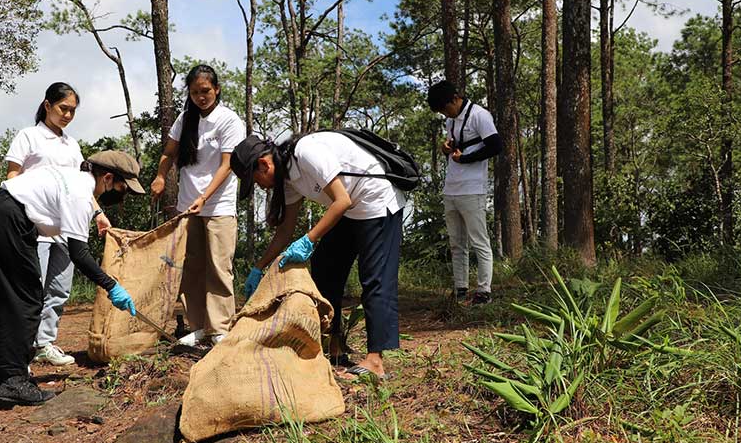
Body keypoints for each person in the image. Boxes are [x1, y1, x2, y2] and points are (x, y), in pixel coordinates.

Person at [0, 151, 145, 405]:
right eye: (122, 187)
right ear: (107, 177)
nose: (122, 194)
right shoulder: (80, 195)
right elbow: (79, 254)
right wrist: (111, 286)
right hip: (8, 222)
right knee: (27, 300)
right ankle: (14, 380)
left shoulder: (70, 176)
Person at [229, 132, 406, 379]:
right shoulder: (288, 178)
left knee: (375, 279)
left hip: (376, 199)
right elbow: (284, 232)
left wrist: (309, 239)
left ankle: (375, 361)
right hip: (353, 207)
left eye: (256, 180)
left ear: (264, 164)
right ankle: (334, 348)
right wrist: (259, 267)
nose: (260, 186)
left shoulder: (305, 152)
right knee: (325, 266)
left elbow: (341, 200)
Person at [5, 83, 111, 367]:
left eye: (72, 111)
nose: (67, 115)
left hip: (67, 228)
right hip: (35, 225)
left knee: (59, 290)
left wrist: (98, 213)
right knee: (32, 288)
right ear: (47, 105)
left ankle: (44, 343)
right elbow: (12, 176)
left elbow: (81, 186)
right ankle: (22, 350)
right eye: (63, 108)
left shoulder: (72, 145)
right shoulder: (29, 136)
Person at [151, 65, 245, 346]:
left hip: (218, 207)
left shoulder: (229, 121)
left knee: (218, 267)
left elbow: (228, 164)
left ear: (216, 89)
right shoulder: (185, 119)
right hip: (187, 207)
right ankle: (199, 326)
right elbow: (169, 152)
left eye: (205, 91)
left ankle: (220, 329)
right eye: (195, 92)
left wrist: (204, 197)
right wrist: (159, 176)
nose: (201, 97)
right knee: (191, 268)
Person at [426, 80, 501, 305]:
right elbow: (453, 146)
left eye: (443, 108)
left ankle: (483, 291)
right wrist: (445, 149)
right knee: (457, 243)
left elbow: (496, 146)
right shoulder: (451, 120)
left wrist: (465, 158)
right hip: (452, 189)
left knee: (479, 241)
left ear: (454, 100)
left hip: (473, 188)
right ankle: (460, 288)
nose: (443, 113)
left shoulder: (480, 115)